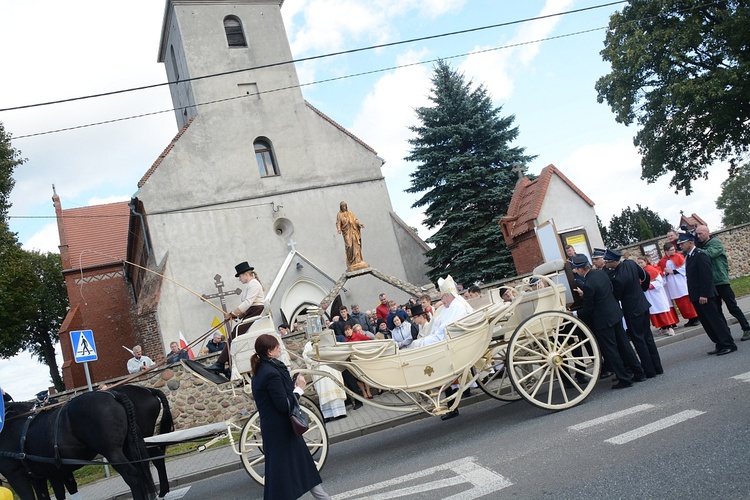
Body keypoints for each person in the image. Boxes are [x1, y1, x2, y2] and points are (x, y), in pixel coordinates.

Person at [250, 334, 330, 500]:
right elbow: (283, 405)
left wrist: (291, 387)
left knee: (301, 467)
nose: (279, 348)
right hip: (281, 431)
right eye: (276, 346)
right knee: (285, 477)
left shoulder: (263, 370)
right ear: (269, 352)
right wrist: (299, 389)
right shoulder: (270, 373)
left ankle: (323, 498)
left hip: (279, 430)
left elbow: (279, 396)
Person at [572, 255, 645, 389]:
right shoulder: (601, 274)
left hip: (603, 320)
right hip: (614, 313)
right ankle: (638, 372)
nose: (576, 271)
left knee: (611, 350)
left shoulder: (588, 284)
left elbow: (588, 309)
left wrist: (574, 314)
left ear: (580, 269)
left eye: (576, 269)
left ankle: (624, 378)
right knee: (624, 345)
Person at [604, 249, 663, 378]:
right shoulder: (631, 264)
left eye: (607, 262)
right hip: (643, 304)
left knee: (639, 340)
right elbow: (645, 276)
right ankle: (657, 367)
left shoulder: (617, 278)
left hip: (632, 310)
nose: (605, 264)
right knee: (648, 337)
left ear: (614, 262)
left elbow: (617, 296)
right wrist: (643, 288)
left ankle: (649, 370)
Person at [678, 233, 738, 356]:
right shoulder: (689, 256)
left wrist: (704, 294)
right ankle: (719, 343)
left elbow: (706, 276)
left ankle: (728, 344)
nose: (681, 246)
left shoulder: (700, 255)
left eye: (682, 243)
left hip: (705, 295)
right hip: (696, 295)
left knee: (715, 320)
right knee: (707, 322)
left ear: (690, 242)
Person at [695, 225, 750, 341]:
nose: (698, 236)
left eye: (701, 233)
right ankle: (726, 333)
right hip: (711, 284)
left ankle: (746, 328)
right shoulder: (700, 246)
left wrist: (695, 248)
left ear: (707, 232)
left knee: (732, 307)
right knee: (717, 311)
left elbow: (709, 254)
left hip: (721, 281)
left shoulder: (715, 243)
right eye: (697, 234)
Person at [209, 261, 265, 376]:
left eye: (239, 276)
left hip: (255, 312)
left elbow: (248, 303)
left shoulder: (253, 284)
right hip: (252, 312)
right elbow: (248, 305)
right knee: (235, 335)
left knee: (235, 335)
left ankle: (221, 364)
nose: (239, 279)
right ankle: (227, 365)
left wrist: (232, 313)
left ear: (245, 274)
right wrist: (236, 315)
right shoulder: (250, 285)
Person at [657, 242, 699, 327]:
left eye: (674, 249)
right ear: (666, 251)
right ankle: (689, 318)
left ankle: (695, 317)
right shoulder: (662, 261)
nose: (674, 251)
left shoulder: (678, 256)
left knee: (687, 300)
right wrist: (666, 273)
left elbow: (685, 268)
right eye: (671, 250)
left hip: (680, 281)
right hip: (672, 284)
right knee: (680, 303)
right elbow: (661, 272)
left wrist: (673, 271)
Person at [636, 255, 679, 336]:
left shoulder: (652, 270)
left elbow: (660, 281)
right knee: (654, 311)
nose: (640, 264)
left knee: (662, 310)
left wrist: (651, 285)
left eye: (641, 262)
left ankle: (670, 327)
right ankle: (663, 328)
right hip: (648, 295)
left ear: (646, 262)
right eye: (638, 263)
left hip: (657, 294)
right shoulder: (640, 272)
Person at [336, 201, 367, 270]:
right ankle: (351, 262)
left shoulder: (350, 213)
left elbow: (355, 220)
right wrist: (339, 229)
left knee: (356, 244)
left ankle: (358, 260)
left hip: (353, 230)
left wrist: (359, 224)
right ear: (341, 207)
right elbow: (338, 223)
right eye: (342, 206)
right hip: (346, 232)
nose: (344, 207)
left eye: (345, 206)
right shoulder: (339, 214)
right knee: (349, 246)